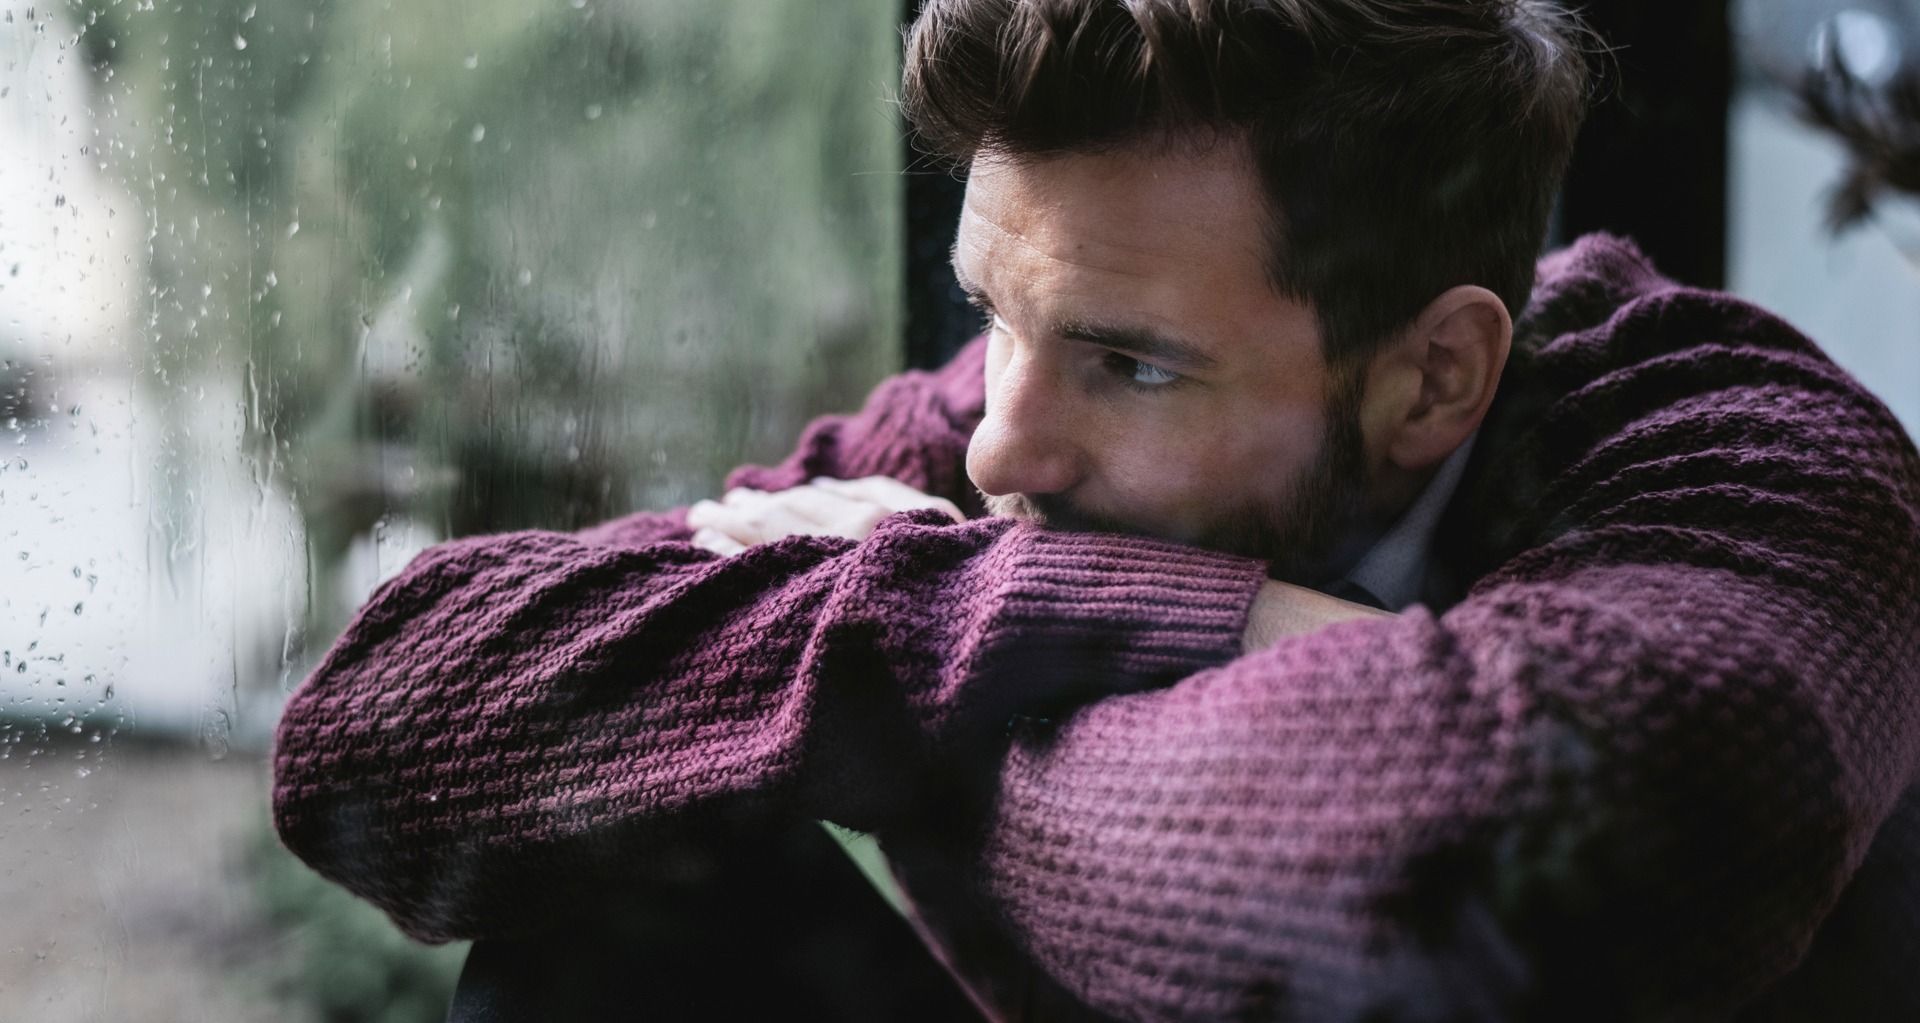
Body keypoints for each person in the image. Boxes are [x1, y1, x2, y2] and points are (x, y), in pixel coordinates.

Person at [273, 0, 1920, 1019]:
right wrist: (998, 611)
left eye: (1132, 366)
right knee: (603, 953)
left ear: (1431, 381)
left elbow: (1455, 898)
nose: (998, 455)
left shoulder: (1745, 458)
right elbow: (376, 741)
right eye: (991, 315)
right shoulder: (1003, 440)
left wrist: (874, 703)